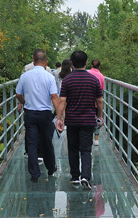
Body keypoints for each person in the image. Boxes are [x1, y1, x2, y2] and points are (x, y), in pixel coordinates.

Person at [56, 50, 103, 189]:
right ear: (86, 62)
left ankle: (75, 177)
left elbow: (62, 100)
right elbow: (99, 100)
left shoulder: (67, 80)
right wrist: (99, 116)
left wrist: (59, 118)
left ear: (72, 63)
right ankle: (85, 177)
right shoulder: (93, 80)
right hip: (88, 120)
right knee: (86, 149)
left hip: (72, 120)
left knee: (73, 148)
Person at [16, 49, 62, 182]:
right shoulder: (49, 77)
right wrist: (59, 117)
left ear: (33, 60)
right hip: (46, 114)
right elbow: (54, 96)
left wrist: (24, 103)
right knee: (47, 142)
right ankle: (51, 168)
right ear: (46, 62)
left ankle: (34, 174)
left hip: (30, 113)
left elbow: (18, 93)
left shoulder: (25, 76)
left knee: (32, 143)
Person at [87, 60, 105, 146]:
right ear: (100, 67)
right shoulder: (101, 76)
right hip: (96, 102)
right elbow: (101, 91)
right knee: (98, 119)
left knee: (88, 120)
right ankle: (96, 139)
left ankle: (88, 137)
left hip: (87, 101)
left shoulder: (87, 73)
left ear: (91, 65)